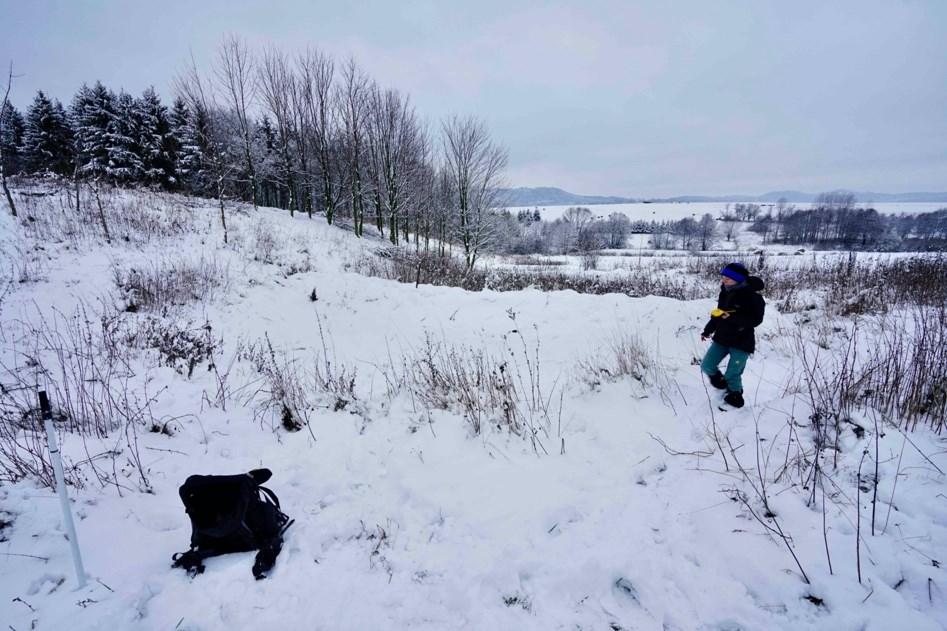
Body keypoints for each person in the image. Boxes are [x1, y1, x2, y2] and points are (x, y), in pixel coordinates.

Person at [700, 262, 765, 408]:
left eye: (728, 278)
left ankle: (735, 397)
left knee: (732, 374)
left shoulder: (754, 297)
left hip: (742, 342)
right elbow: (719, 314)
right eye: (723, 277)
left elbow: (756, 320)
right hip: (722, 337)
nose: (724, 280)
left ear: (738, 279)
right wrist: (707, 330)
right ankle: (723, 386)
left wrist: (732, 318)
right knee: (707, 365)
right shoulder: (725, 291)